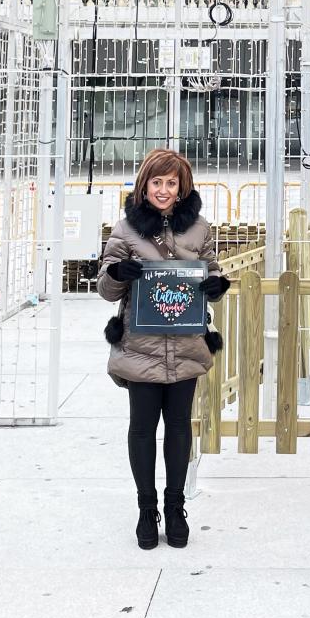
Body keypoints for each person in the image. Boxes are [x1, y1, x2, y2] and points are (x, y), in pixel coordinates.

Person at [97, 148, 229, 550]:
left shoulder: (199, 229)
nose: (165, 190)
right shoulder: (125, 230)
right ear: (145, 185)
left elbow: (212, 268)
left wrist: (216, 284)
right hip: (141, 345)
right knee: (141, 427)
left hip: (186, 343)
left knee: (178, 426)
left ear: (182, 186)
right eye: (158, 182)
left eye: (172, 183)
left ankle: (175, 507)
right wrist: (119, 273)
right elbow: (106, 287)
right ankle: (145, 508)